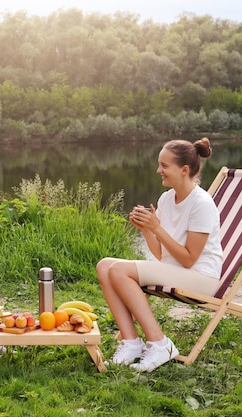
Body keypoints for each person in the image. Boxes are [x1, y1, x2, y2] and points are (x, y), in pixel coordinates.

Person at [97, 137, 223, 372]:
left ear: (184, 170)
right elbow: (163, 255)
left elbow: (188, 259)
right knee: (104, 265)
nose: (159, 170)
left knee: (118, 270)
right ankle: (131, 342)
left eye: (164, 166)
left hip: (201, 278)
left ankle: (159, 343)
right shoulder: (166, 198)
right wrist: (147, 230)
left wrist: (157, 228)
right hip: (177, 271)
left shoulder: (201, 203)